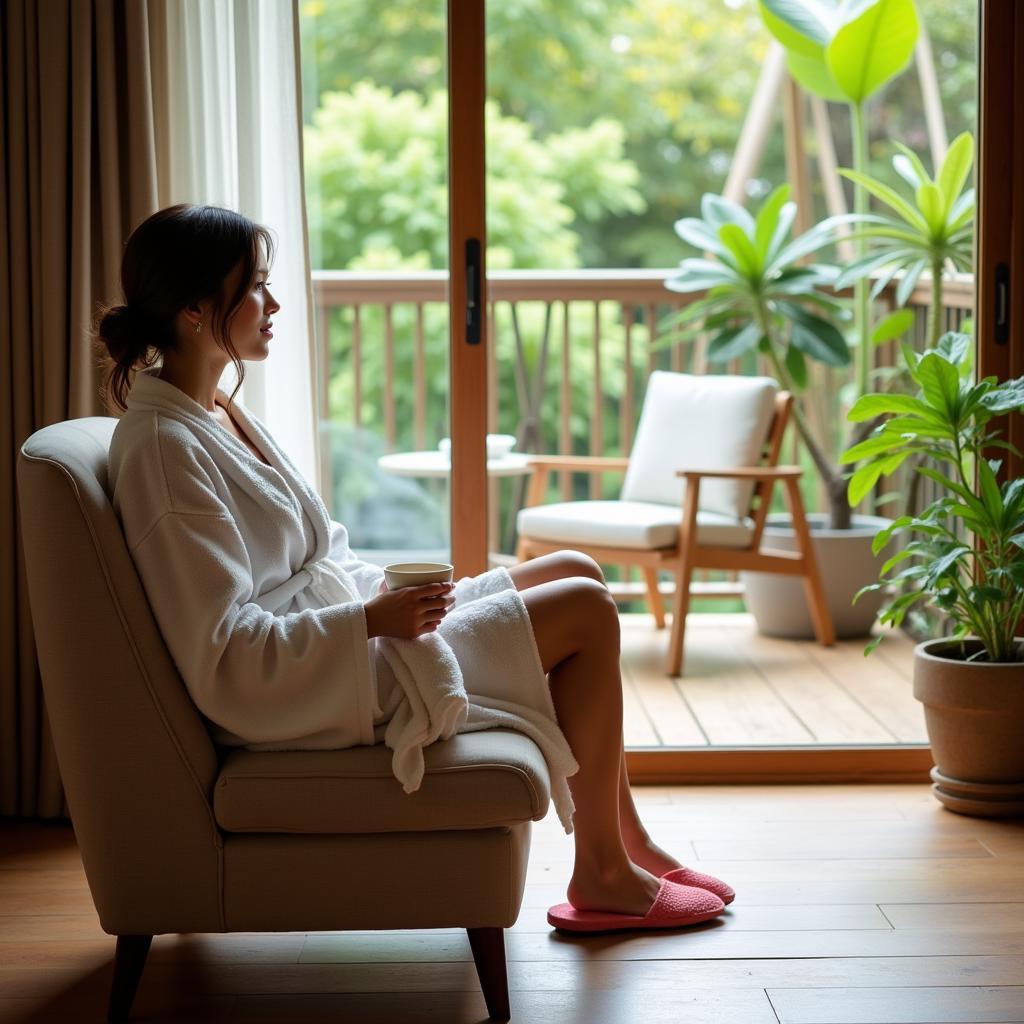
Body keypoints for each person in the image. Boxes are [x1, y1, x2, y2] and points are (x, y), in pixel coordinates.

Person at [98, 204, 734, 933]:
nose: (273, 305)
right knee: (585, 612)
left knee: (575, 568)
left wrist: (396, 593)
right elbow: (221, 654)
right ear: (192, 308)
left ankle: (629, 839)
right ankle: (603, 875)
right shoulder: (162, 450)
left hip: (345, 641)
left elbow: (323, 554)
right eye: (256, 287)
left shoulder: (215, 413)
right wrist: (370, 621)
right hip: (312, 689)